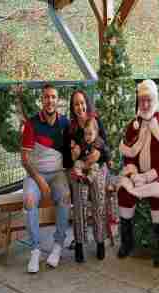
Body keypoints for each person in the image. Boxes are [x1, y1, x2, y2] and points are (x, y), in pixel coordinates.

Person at [117, 79, 159, 267]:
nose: (144, 104)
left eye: (148, 100)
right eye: (142, 100)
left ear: (154, 100)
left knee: (156, 197)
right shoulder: (133, 125)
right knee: (124, 192)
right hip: (136, 175)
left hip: (158, 176)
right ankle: (127, 241)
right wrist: (133, 172)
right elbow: (127, 154)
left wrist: (148, 176)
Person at [22, 83, 71, 273]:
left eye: (53, 97)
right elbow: (24, 159)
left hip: (58, 173)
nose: (50, 100)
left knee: (65, 196)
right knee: (29, 199)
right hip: (35, 174)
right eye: (46, 97)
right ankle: (35, 250)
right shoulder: (31, 123)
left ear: (57, 100)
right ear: (41, 100)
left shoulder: (65, 123)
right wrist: (39, 180)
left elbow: (76, 144)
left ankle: (58, 245)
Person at [63, 89, 115, 263]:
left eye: (82, 102)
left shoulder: (95, 121)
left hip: (97, 167)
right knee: (79, 198)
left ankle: (100, 240)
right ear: (73, 107)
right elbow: (67, 159)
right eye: (76, 104)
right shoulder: (70, 129)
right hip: (79, 168)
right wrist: (75, 156)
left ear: (87, 103)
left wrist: (99, 153)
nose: (80, 106)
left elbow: (107, 146)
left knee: (98, 197)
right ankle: (79, 242)